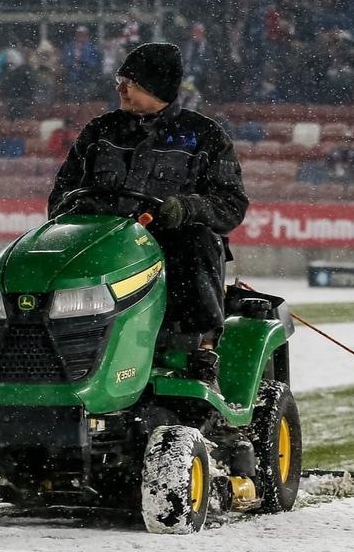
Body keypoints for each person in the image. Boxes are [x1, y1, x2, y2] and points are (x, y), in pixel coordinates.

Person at [47, 42, 248, 391]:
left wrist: (187, 208)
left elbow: (231, 205)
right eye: (119, 79)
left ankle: (201, 351)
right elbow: (61, 196)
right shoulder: (99, 132)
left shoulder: (205, 137)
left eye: (130, 81)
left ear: (157, 86)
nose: (120, 88)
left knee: (197, 240)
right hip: (105, 244)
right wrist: (79, 207)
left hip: (169, 246)